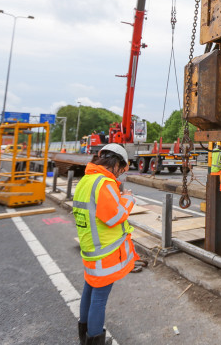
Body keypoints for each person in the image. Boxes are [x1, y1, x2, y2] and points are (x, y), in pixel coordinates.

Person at [72, 143, 138, 345]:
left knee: (89, 291)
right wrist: (128, 199)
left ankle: (84, 334)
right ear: (116, 163)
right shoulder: (105, 183)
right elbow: (115, 216)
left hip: (90, 248)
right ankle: (94, 340)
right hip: (105, 253)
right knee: (99, 299)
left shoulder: (86, 180)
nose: (120, 174)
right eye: (121, 169)